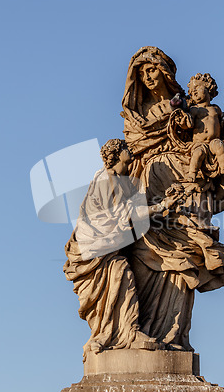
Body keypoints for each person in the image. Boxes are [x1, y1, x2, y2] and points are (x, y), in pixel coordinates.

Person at [121, 47, 224, 351]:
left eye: (152, 70)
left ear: (164, 71)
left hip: (187, 184)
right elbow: (129, 154)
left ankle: (172, 335)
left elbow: (210, 144)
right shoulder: (136, 117)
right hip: (149, 183)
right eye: (142, 73)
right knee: (143, 254)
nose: (147, 77)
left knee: (185, 253)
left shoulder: (191, 107)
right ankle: (139, 331)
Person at [64, 138, 166, 358]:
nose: (130, 151)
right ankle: (116, 334)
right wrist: (161, 206)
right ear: (117, 155)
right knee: (122, 275)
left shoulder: (120, 180)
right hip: (96, 249)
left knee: (123, 275)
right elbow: (125, 216)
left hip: (107, 248)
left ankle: (125, 332)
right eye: (126, 149)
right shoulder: (107, 180)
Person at [187, 73, 224, 182]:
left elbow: (223, 122)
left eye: (197, 87)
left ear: (209, 88)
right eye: (192, 91)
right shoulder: (194, 110)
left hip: (213, 141)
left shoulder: (216, 109)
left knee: (220, 147)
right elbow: (189, 124)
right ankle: (192, 173)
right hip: (199, 143)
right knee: (198, 154)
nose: (194, 91)